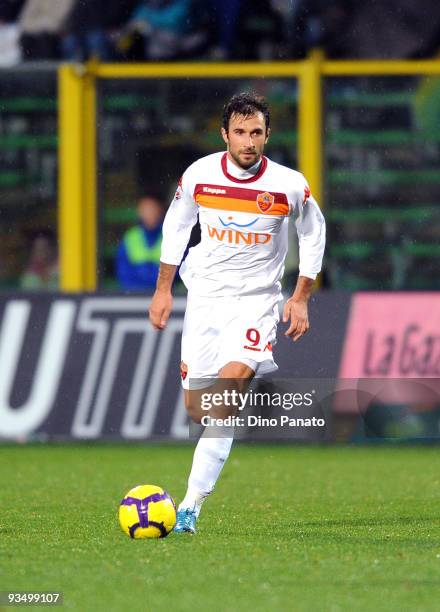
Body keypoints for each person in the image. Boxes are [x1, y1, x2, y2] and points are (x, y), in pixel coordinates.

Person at [149, 92, 326, 534]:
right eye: (241, 132)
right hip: (205, 297)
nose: (249, 141)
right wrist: (163, 290)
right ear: (224, 134)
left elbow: (314, 235)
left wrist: (300, 296)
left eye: (257, 133)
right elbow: (176, 227)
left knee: (225, 399)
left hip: (256, 302)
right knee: (200, 409)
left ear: (268, 135)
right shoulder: (199, 176)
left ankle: (189, 506)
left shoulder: (288, 184)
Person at [116, 194, 165, 290]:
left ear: (160, 211)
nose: (150, 214)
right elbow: (123, 272)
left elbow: (177, 273)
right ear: (139, 212)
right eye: (146, 210)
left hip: (162, 295)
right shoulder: (130, 237)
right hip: (135, 297)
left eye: (153, 210)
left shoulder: (170, 236)